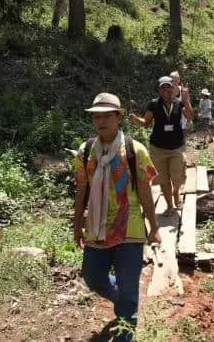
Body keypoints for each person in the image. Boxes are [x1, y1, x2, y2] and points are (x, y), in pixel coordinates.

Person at [73, 92, 161, 342]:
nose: (100, 121)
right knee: (93, 278)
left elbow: (145, 192)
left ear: (118, 117)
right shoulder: (85, 151)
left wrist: (153, 226)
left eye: (106, 116)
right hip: (96, 228)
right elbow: (81, 191)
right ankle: (122, 297)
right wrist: (76, 225)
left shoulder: (135, 150)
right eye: (96, 117)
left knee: (129, 288)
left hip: (130, 229)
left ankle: (126, 324)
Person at [131, 76, 193, 212]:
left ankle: (176, 192)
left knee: (177, 177)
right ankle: (170, 206)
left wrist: (186, 99)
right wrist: (135, 119)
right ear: (159, 90)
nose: (166, 90)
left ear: (173, 88)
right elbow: (145, 123)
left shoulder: (179, 103)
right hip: (158, 149)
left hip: (177, 147)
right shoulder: (153, 104)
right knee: (163, 179)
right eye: (163, 87)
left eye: (168, 87)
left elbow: (189, 116)